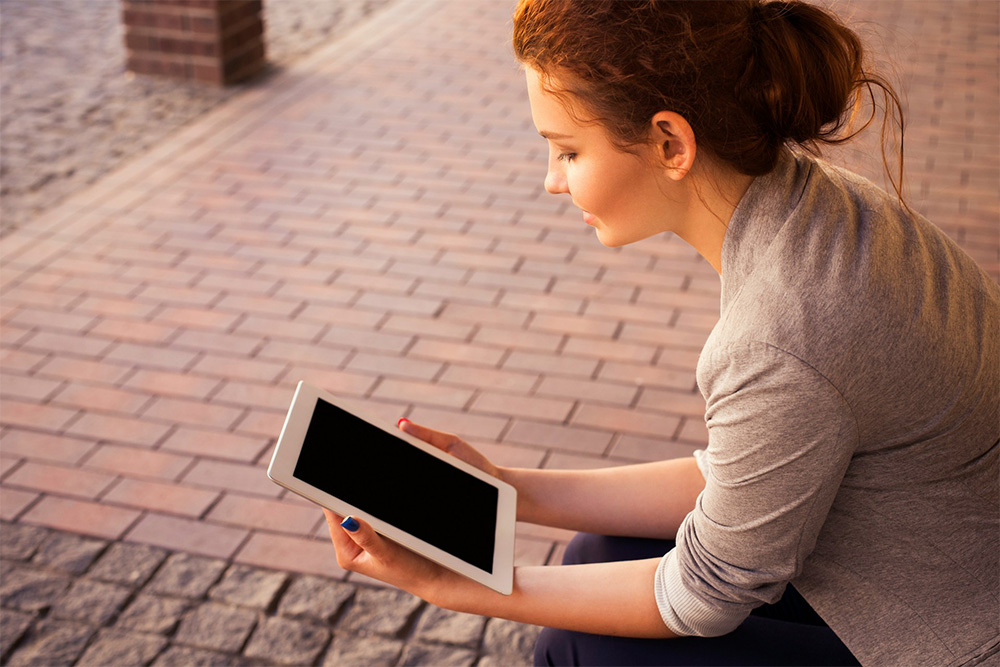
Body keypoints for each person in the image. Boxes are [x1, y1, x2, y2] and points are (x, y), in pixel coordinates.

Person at [323, 1, 1000, 665]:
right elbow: (744, 469)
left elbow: (706, 594)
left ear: (671, 143)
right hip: (917, 573)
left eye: (566, 150)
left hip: (949, 637)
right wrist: (506, 489)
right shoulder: (817, 206)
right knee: (599, 549)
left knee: (579, 645)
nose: (552, 182)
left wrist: (457, 585)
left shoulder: (780, 332)